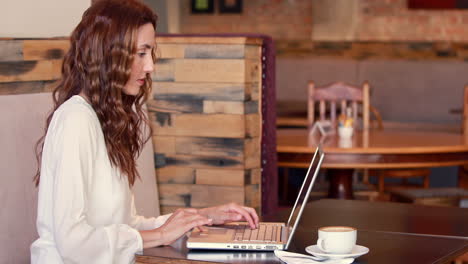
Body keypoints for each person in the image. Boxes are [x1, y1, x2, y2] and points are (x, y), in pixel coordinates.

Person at [30, 0, 259, 263]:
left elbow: (128, 225)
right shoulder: (74, 120)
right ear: (109, 53)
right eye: (141, 53)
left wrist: (204, 216)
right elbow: (73, 242)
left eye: (150, 53)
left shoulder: (107, 121)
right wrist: (161, 234)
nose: (150, 66)